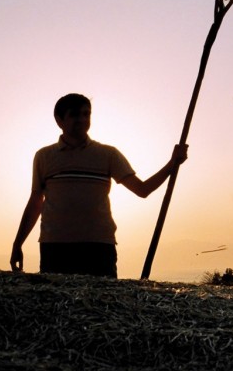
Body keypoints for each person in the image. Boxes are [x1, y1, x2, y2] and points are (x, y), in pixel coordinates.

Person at [10, 93, 188, 278]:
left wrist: (172, 164)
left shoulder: (108, 155)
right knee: (58, 305)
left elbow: (142, 190)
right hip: (55, 246)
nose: (82, 119)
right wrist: (17, 244)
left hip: (98, 246)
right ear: (59, 120)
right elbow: (36, 201)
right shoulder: (44, 157)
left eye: (87, 114)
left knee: (103, 304)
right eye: (75, 114)